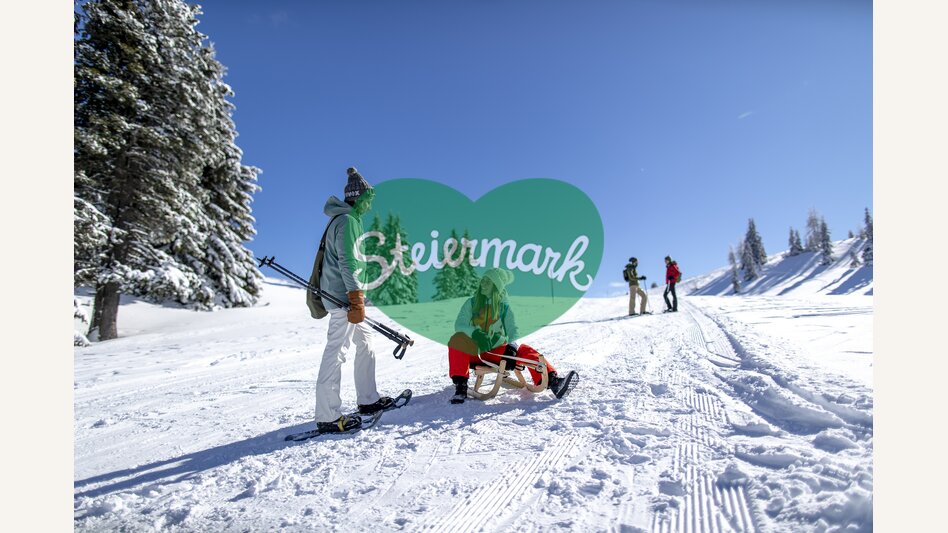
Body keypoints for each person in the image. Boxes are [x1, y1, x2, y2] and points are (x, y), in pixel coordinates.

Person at [312, 167, 395, 433]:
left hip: (347, 297)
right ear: (358, 198)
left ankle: (368, 400)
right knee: (337, 351)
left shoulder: (348, 220)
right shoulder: (347, 221)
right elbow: (348, 261)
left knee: (366, 342)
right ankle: (327, 415)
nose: (371, 204)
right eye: (368, 198)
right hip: (342, 299)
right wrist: (356, 297)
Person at [447, 268, 577, 404]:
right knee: (457, 340)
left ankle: (554, 381)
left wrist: (512, 346)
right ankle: (460, 387)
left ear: (496, 286)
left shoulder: (504, 308)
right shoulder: (471, 303)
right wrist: (474, 333)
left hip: (495, 353)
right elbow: (459, 325)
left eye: (488, 281)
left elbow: (513, 330)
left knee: (524, 350)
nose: (483, 284)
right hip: (474, 353)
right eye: (482, 281)